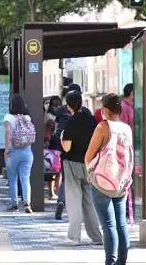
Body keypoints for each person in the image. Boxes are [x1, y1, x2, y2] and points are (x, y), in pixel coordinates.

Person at [86, 93, 134, 265]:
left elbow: (88, 156)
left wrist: (90, 171)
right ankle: (122, 261)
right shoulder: (126, 128)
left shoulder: (103, 127)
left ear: (105, 110)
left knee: (108, 226)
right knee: (121, 224)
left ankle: (110, 262)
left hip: (102, 182)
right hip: (120, 183)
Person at [60, 90, 103, 245]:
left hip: (72, 163)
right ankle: (97, 236)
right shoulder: (91, 119)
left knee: (74, 199)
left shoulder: (71, 122)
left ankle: (74, 237)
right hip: (89, 164)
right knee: (88, 200)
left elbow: (66, 147)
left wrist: (61, 138)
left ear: (68, 105)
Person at [53, 83, 82, 220]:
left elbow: (56, 129)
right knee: (81, 181)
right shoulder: (84, 112)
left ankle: (61, 201)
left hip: (65, 148)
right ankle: (76, 209)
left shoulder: (60, 111)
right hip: (81, 151)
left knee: (66, 178)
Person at [4, 94, 34, 213]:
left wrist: (7, 149)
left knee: (12, 178)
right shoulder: (27, 117)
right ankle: (27, 203)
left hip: (13, 151)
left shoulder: (8, 117)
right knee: (25, 178)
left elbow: (7, 133)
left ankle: (14, 203)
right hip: (27, 151)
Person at [120, 83, 135, 225]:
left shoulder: (123, 106)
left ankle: (126, 209)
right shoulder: (126, 108)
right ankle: (127, 209)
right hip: (127, 148)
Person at [44, 95, 62, 199]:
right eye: (55, 105)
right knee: (51, 168)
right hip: (51, 143)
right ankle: (52, 191)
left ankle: (56, 189)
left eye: (59, 104)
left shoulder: (58, 115)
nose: (57, 107)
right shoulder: (49, 116)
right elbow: (49, 129)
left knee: (57, 168)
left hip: (57, 143)